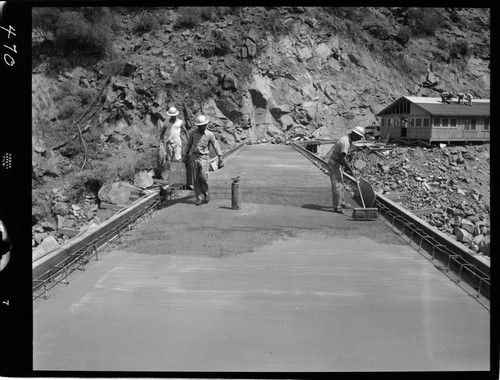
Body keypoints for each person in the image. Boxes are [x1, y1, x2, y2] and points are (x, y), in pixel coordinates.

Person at [183, 115, 224, 206]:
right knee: (196, 178)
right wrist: (186, 155)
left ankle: (206, 193)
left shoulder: (210, 134)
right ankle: (200, 198)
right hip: (194, 157)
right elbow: (189, 145)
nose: (201, 127)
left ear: (206, 125)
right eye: (199, 126)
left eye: (203, 125)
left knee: (203, 177)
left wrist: (220, 157)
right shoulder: (193, 133)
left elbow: (215, 145)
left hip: (204, 158)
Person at [328, 126, 365, 214]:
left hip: (338, 164)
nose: (359, 139)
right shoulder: (345, 142)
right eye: (359, 137)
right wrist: (350, 170)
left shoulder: (348, 140)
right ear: (355, 134)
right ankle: (337, 207)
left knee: (341, 183)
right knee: (337, 185)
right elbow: (343, 157)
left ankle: (341, 202)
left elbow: (345, 156)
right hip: (334, 164)